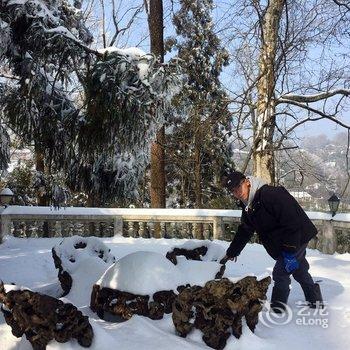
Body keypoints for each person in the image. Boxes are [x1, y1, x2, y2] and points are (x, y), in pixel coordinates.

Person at [222, 170, 323, 312]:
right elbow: (245, 230)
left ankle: (277, 310)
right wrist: (232, 252)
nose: (237, 193)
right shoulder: (248, 205)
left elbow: (292, 222)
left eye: (239, 187)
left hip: (297, 236)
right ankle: (315, 301)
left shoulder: (271, 194)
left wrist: (289, 251)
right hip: (285, 240)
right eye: (233, 191)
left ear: (247, 182)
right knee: (299, 270)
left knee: (281, 273)